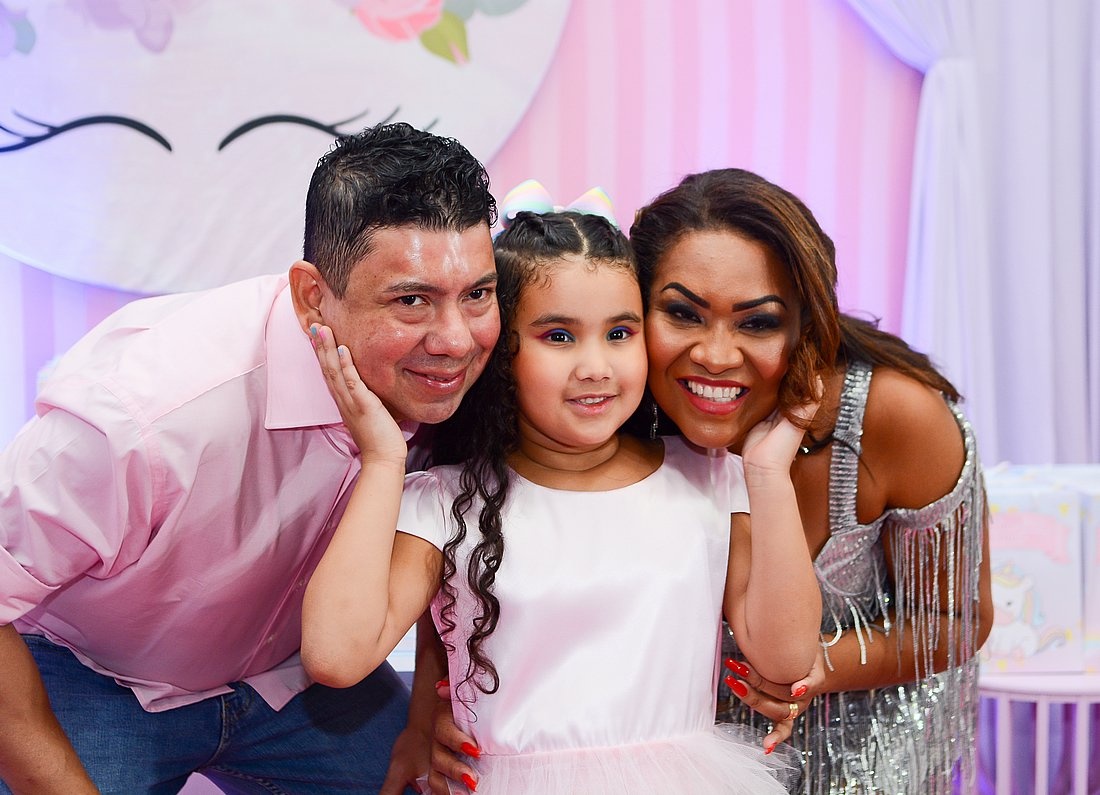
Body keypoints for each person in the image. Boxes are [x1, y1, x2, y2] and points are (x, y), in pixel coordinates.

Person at [429, 169, 993, 794]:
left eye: (758, 323)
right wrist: (444, 707)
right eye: (681, 314)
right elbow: (474, 557)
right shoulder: (602, 410)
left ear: (805, 325)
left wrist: (810, 667)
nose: (716, 356)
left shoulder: (891, 417)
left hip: (864, 760)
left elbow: (958, 618)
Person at [0, 121, 498, 794]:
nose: (456, 340)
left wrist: (432, 705)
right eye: (411, 300)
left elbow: (460, 557)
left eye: (477, 294)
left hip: (289, 680)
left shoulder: (472, 380)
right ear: (312, 296)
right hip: (90, 671)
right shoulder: (144, 414)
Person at [301, 210, 823, 794]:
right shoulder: (444, 503)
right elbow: (335, 656)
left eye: (619, 334)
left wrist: (768, 473)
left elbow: (785, 658)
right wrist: (382, 460)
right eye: (558, 336)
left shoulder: (710, 479)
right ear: (501, 351)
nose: (595, 368)